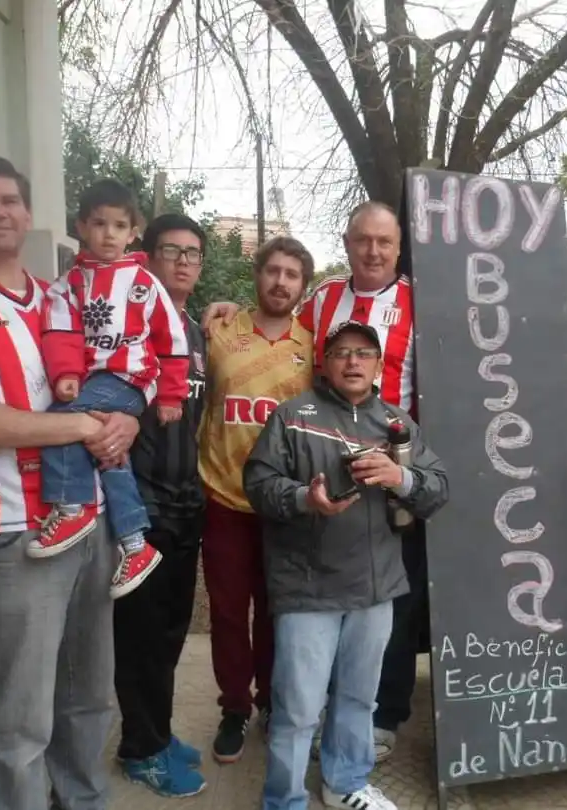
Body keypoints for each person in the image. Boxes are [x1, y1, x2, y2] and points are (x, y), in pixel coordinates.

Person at [0, 155, 138, 810]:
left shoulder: (62, 296)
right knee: (16, 723)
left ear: (29, 213)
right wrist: (80, 428)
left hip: (90, 521)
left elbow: (124, 365)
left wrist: (126, 416)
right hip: (15, 534)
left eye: (10, 200)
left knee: (88, 701)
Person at [204, 202, 423, 761]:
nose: (372, 251)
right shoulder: (323, 298)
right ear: (347, 244)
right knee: (310, 599)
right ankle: (293, 704)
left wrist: (416, 464)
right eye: (362, 240)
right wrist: (228, 310)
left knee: (387, 597)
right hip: (315, 470)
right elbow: (273, 329)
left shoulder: (423, 301)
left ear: (399, 248)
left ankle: (384, 713)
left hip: (390, 467)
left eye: (384, 242)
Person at [243, 320, 449, 810]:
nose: (352, 361)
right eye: (341, 353)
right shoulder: (292, 417)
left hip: (375, 588)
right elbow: (257, 484)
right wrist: (303, 499)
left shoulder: (398, 425)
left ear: (378, 365)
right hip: (308, 587)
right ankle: (284, 799)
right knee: (298, 709)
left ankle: (345, 785)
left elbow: (437, 489)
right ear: (325, 363)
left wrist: (401, 476)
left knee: (360, 699)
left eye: (363, 353)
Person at [37, 178, 190, 598]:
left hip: (129, 379)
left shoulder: (143, 282)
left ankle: (71, 505)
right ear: (81, 226)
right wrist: (65, 373)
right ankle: (135, 544)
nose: (109, 234)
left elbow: (171, 341)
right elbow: (60, 332)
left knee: (62, 421)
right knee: (108, 453)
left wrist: (172, 394)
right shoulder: (70, 283)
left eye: (118, 225)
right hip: (90, 380)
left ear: (133, 231)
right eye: (99, 223)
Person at [197, 235, 315, 764]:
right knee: (226, 612)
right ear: (257, 275)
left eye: (292, 274)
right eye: (273, 270)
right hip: (223, 497)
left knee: (275, 612)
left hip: (282, 505)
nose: (280, 282)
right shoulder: (219, 331)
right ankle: (233, 708)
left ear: (303, 286)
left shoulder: (312, 349)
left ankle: (270, 701)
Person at [112, 213, 210, 797]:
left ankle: (159, 733)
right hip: (140, 508)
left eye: (193, 254)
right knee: (141, 636)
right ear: (146, 256)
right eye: (171, 251)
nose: (182, 262)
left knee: (172, 632)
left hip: (186, 503)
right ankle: (139, 749)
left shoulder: (194, 332)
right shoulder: (127, 325)